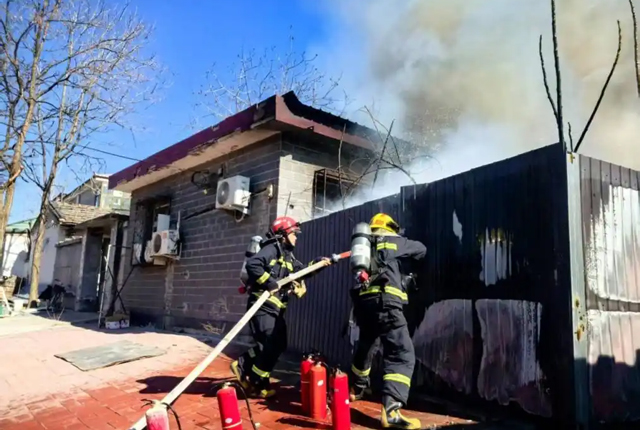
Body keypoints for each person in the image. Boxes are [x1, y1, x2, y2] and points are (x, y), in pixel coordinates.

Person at [231, 216, 331, 398]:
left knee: (277, 344)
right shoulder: (271, 249)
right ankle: (254, 379)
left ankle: (247, 368)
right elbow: (253, 264)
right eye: (294, 233)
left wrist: (318, 263)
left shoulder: (287, 256)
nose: (296, 237)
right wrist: (269, 282)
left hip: (275, 310)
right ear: (283, 234)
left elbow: (300, 272)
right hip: (262, 306)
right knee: (270, 344)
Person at [348, 213, 426, 429]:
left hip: (364, 305)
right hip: (386, 303)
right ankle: (391, 412)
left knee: (366, 345)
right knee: (402, 354)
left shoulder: (364, 246)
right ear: (389, 227)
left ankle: (355, 389)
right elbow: (421, 250)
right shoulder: (394, 241)